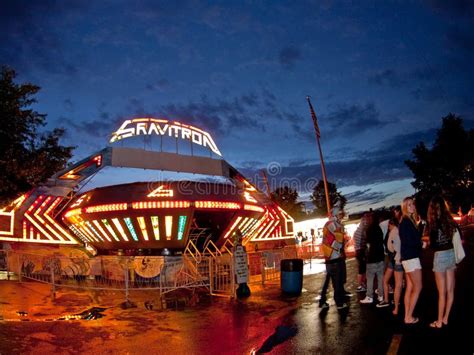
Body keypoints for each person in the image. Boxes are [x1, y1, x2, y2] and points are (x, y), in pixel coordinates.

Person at [424, 196, 457, 328]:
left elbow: (433, 245)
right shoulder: (450, 221)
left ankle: (438, 322)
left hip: (440, 257)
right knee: (450, 290)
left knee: (441, 293)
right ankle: (445, 318)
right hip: (451, 254)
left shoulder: (432, 223)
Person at [319, 205, 349, 310]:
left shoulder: (329, 224)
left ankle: (322, 301)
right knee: (337, 281)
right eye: (340, 214)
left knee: (328, 281)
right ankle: (339, 302)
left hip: (330, 257)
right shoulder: (334, 224)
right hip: (334, 258)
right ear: (335, 215)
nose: (341, 216)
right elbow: (339, 242)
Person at [399, 196, 423, 324]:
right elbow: (410, 241)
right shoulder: (406, 221)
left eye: (412, 204)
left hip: (408, 259)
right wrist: (421, 244)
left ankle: (407, 316)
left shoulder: (407, 221)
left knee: (409, 287)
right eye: (409, 205)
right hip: (411, 258)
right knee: (418, 287)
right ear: (404, 207)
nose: (412, 206)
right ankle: (408, 316)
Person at [377, 217, 404, 315]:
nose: (388, 227)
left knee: (398, 284)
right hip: (393, 259)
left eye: (389, 225)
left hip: (396, 259)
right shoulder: (394, 231)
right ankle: (388, 300)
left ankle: (395, 306)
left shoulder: (395, 232)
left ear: (392, 224)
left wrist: (396, 255)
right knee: (388, 281)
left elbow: (397, 248)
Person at [360, 212, 385, 304]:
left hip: (372, 257)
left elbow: (367, 244)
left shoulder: (369, 229)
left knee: (370, 278)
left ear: (370, 219)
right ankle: (380, 295)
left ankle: (369, 296)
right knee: (380, 277)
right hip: (380, 256)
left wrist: (365, 256)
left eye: (367, 218)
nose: (366, 220)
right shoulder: (379, 228)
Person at [353, 213, 369, 292]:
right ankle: (360, 285)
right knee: (361, 269)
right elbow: (363, 242)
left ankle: (362, 284)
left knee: (362, 269)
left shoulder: (357, 231)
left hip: (358, 251)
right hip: (360, 251)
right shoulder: (362, 231)